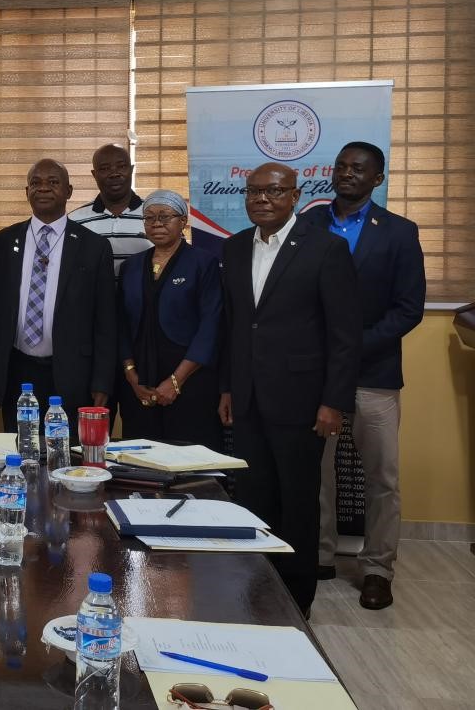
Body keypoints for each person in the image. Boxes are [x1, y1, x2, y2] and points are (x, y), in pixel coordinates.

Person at [219, 162, 360, 615]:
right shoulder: (234, 248)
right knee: (253, 497)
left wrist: (333, 402)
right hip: (247, 398)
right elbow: (235, 326)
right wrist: (227, 388)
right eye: (253, 191)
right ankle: (254, 590)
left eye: (274, 191)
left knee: (297, 503)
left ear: (295, 196)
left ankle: (297, 602)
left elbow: (344, 336)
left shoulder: (326, 248)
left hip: (302, 402)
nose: (262, 199)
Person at [313, 142, 425, 610]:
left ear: (377, 178)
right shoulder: (309, 225)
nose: (347, 173)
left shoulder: (399, 232)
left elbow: (408, 309)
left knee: (382, 477)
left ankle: (378, 569)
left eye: (358, 168)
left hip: (373, 373)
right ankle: (320, 557)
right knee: (316, 471)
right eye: (341, 166)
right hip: (318, 375)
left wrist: (353, 347)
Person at [0, 158, 115, 434]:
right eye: (36, 183)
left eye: (53, 182)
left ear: (69, 191)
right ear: (27, 192)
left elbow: (106, 321)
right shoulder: (1, 243)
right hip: (17, 371)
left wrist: (102, 380)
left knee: (68, 452)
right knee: (21, 448)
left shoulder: (94, 247)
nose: (43, 188)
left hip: (72, 372)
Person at [116, 190, 223, 451]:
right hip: (139, 383)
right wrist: (131, 376)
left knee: (188, 459)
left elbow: (210, 326)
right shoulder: (131, 266)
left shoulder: (203, 263)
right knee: (141, 457)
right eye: (149, 218)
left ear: (183, 221)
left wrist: (176, 381)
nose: (156, 224)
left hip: (190, 381)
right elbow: (120, 324)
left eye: (165, 216)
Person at [68, 143, 152, 278]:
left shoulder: (156, 216)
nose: (114, 174)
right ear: (94, 174)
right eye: (105, 168)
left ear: (131, 169)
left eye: (121, 166)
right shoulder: (74, 221)